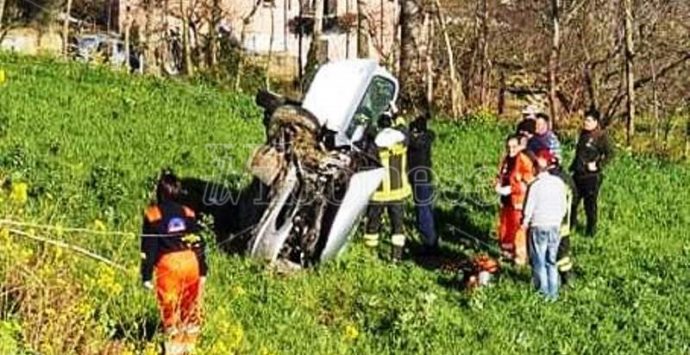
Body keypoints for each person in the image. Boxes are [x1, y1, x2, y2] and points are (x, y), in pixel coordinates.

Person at [141, 170, 208, 355]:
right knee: (191, 306)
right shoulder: (188, 213)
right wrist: (203, 270)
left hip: (169, 266)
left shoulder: (153, 214)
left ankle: (174, 349)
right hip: (191, 262)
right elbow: (198, 241)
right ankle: (190, 347)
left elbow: (149, 248)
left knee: (170, 309)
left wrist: (146, 276)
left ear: (159, 192)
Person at [363, 111, 412, 262]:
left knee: (373, 225)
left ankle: (370, 254)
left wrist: (367, 124)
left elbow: (368, 141)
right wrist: (397, 114)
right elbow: (404, 127)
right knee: (397, 227)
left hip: (379, 194)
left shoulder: (375, 145)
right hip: (398, 193)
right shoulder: (402, 141)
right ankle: (396, 257)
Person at [522, 150, 568, 300]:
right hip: (555, 225)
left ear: (535, 168)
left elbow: (529, 207)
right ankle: (553, 293)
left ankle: (543, 292)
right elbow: (563, 206)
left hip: (539, 225)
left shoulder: (535, 186)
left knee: (539, 260)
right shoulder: (559, 183)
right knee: (551, 260)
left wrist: (525, 222)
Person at [569, 108, 613, 237]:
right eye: (585, 120)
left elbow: (611, 154)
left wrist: (598, 165)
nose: (585, 123)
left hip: (591, 177)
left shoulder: (601, 136)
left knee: (590, 205)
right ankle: (570, 226)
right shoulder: (582, 134)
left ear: (595, 122)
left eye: (588, 120)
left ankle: (590, 231)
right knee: (572, 202)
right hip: (577, 174)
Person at [495, 134, 534, 265]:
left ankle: (521, 257)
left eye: (514, 147)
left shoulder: (524, 160)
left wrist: (512, 189)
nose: (511, 150)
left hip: (517, 203)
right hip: (505, 202)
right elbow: (499, 175)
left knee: (518, 231)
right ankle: (507, 252)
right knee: (505, 229)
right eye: (508, 147)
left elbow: (528, 181)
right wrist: (497, 185)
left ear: (520, 147)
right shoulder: (505, 159)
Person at [542, 150, 575, 285]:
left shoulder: (552, 180)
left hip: (554, 221)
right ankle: (567, 278)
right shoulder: (566, 178)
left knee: (557, 252)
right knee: (562, 250)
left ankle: (565, 279)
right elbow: (575, 198)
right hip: (565, 221)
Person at [407, 113, 438, 254]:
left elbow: (412, 141)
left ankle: (429, 242)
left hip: (420, 180)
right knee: (426, 209)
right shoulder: (427, 138)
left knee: (423, 211)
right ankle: (431, 239)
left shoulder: (418, 142)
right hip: (424, 179)